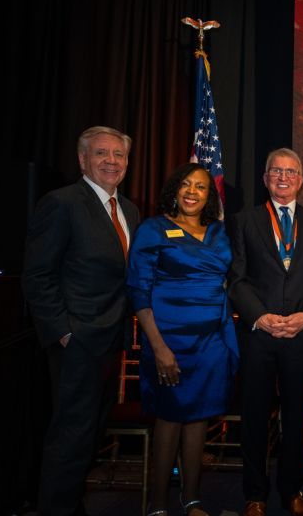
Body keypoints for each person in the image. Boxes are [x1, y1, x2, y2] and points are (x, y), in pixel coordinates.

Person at [22, 126, 141, 516]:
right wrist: (63, 332)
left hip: (111, 339)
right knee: (71, 437)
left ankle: (71, 506)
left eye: (118, 155)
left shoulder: (130, 209)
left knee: (91, 435)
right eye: (102, 154)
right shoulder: (62, 203)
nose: (112, 161)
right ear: (83, 159)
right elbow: (38, 276)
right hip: (78, 342)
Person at [127, 163, 239, 516]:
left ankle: (191, 500)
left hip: (212, 341)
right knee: (170, 417)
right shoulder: (153, 228)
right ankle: (157, 504)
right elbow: (138, 292)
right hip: (169, 340)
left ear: (209, 195)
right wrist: (159, 348)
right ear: (175, 189)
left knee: (199, 418)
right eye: (186, 185)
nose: (193, 192)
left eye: (201, 187)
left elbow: (225, 280)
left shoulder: (219, 231)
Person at [228, 148, 303, 516]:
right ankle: (255, 496)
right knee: (255, 417)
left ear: (302, 179)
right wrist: (260, 316)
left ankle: (293, 490)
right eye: (276, 171)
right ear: (265, 178)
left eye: (291, 172)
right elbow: (237, 279)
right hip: (259, 335)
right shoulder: (245, 221)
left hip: (302, 336)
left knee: (296, 418)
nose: (284, 177)